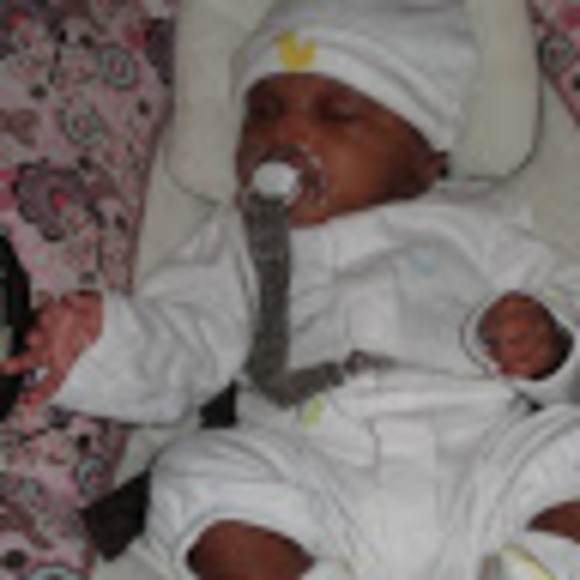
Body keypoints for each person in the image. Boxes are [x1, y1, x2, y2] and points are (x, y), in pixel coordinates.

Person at [3, 0, 580, 578]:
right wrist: (102, 343)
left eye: (338, 114)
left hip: (480, 464)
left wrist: (552, 343)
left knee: (569, 448)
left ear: (428, 158)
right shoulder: (241, 234)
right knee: (196, 473)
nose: (285, 133)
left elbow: (566, 293)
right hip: (315, 478)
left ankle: (540, 566)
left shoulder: (485, 222)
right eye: (262, 111)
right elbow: (189, 337)